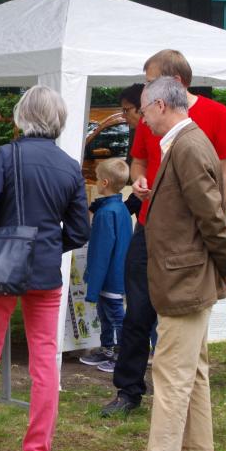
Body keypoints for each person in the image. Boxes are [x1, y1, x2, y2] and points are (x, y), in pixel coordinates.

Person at [0, 85, 90, 451]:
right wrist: (47, 245)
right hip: (46, 271)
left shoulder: (7, 156)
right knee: (45, 360)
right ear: (58, 120)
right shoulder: (68, 166)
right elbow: (80, 231)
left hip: (2, 266)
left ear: (21, 116)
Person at [114, 77, 226, 451]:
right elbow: (198, 208)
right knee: (194, 365)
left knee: (170, 368)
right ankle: (194, 450)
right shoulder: (186, 143)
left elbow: (212, 214)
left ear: (162, 106)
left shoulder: (186, 145)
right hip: (186, 272)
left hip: (184, 275)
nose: (142, 120)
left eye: (145, 110)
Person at [79, 158, 132, 373]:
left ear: (105, 183)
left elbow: (101, 253)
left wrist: (93, 284)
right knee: (106, 313)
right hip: (115, 274)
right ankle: (108, 348)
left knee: (115, 315)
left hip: (110, 276)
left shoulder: (106, 214)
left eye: (98, 179)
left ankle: (121, 354)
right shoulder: (119, 209)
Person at [119, 83, 144, 216]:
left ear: (141, 108)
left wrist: (120, 212)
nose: (123, 116)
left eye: (126, 110)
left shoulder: (156, 135)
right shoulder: (139, 132)